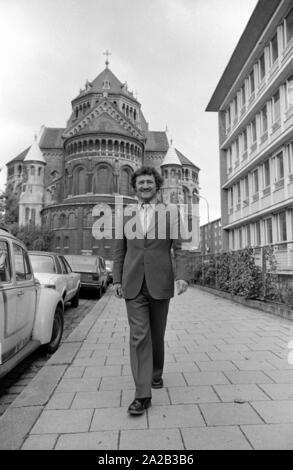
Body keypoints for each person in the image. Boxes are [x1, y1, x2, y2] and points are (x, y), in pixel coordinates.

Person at [113, 166, 190, 416]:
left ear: (157, 186)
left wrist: (181, 277)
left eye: (149, 182)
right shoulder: (124, 214)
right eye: (140, 183)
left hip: (160, 281)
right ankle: (142, 394)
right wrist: (116, 280)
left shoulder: (171, 213)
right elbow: (119, 251)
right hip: (133, 283)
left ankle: (156, 374)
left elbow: (179, 248)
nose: (145, 186)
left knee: (157, 334)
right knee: (139, 336)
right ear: (134, 187)